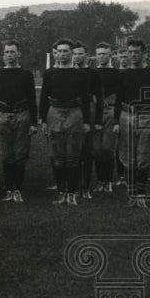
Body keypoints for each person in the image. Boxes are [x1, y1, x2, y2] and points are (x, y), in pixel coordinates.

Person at [39, 38, 92, 206]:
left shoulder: (80, 74)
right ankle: (61, 192)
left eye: (66, 51)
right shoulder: (49, 73)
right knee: (57, 157)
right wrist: (42, 119)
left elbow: (85, 99)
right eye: (59, 51)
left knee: (73, 157)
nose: (62, 54)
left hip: (74, 114)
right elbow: (44, 97)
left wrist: (87, 121)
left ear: (71, 53)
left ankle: (72, 192)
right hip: (54, 113)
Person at [113, 38, 150, 209]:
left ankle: (141, 194)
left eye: (136, 51)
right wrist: (116, 122)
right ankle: (132, 194)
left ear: (143, 53)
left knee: (143, 157)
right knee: (128, 158)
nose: (133, 55)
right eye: (130, 52)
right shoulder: (123, 74)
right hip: (126, 116)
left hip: (147, 116)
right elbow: (119, 99)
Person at [0, 40, 38, 203]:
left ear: (19, 54)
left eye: (12, 52)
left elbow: (32, 99)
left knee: (20, 154)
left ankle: (18, 189)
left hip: (22, 115)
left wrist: (33, 123)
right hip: (2, 116)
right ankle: (9, 189)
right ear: (3, 55)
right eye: (7, 52)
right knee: (6, 155)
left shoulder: (26, 75)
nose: (9, 55)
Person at [72, 40, 103, 199]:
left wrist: (98, 120)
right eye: (75, 54)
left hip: (89, 111)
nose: (77, 57)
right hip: (72, 111)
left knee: (88, 150)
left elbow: (100, 97)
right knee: (74, 150)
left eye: (80, 54)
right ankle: (76, 186)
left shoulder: (94, 73)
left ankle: (86, 187)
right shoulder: (69, 72)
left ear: (86, 55)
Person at [93, 42, 120, 193]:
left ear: (110, 55)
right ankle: (99, 181)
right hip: (95, 115)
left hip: (110, 112)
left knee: (108, 148)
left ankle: (108, 181)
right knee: (96, 149)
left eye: (104, 53)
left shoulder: (116, 73)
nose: (101, 56)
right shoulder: (92, 72)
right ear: (95, 55)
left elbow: (120, 93)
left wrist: (108, 101)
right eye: (99, 54)